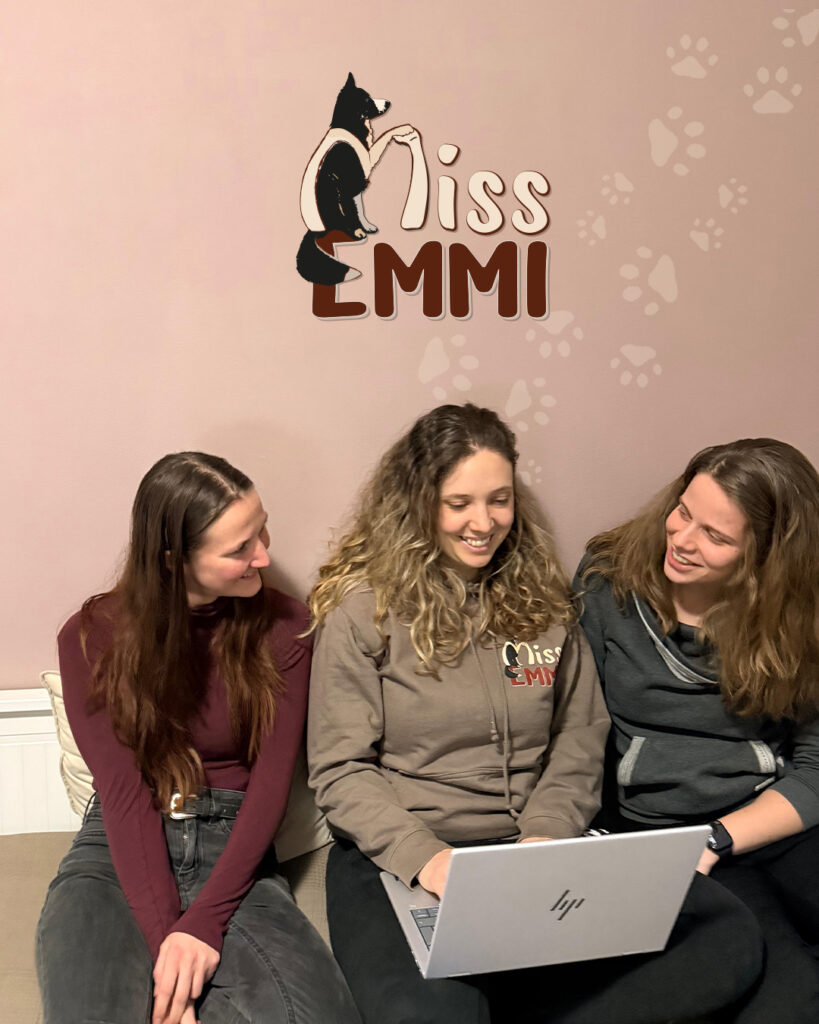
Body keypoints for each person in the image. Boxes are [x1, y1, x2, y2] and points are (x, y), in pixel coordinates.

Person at [306, 404, 762, 1024]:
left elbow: (580, 732)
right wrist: (428, 859)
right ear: (417, 501)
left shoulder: (542, 601)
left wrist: (546, 837)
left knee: (725, 937)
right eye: (459, 503)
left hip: (533, 853)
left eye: (499, 500)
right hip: (405, 856)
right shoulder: (364, 610)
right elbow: (341, 769)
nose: (483, 522)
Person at [36, 452, 361, 1024]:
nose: (264, 555)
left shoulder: (288, 629)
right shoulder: (91, 637)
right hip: (118, 849)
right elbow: (124, 796)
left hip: (233, 847)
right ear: (172, 560)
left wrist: (203, 926)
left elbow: (269, 789)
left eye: (261, 529)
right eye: (239, 548)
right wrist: (172, 953)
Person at [575, 437, 819, 1022]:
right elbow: (574, 727)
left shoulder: (801, 613)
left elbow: (815, 771)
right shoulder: (607, 581)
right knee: (764, 988)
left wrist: (715, 840)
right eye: (682, 511)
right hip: (654, 830)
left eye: (715, 535)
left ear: (766, 558)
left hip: (760, 820)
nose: (682, 540)